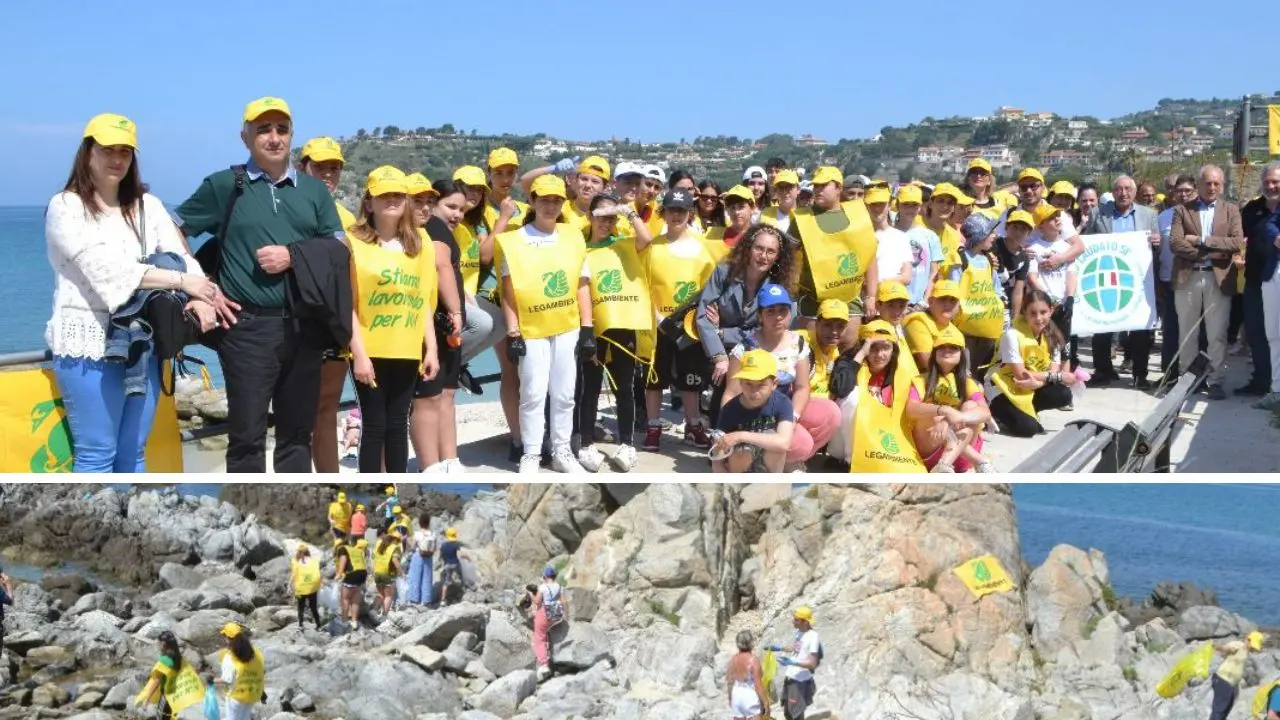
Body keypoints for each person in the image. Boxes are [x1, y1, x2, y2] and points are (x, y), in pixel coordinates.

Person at [176, 97, 346, 473]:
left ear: (291, 136)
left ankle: (294, 509)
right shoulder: (224, 185)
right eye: (263, 129)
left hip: (305, 327)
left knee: (296, 436)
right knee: (248, 438)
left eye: (281, 129)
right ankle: (246, 512)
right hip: (246, 328)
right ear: (245, 136)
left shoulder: (314, 192)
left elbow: (338, 248)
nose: (273, 138)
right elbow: (172, 231)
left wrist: (293, 255)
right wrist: (199, 286)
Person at [45, 113, 213, 473]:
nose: (117, 159)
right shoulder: (66, 207)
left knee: (134, 454)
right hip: (87, 344)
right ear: (87, 151)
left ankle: (129, 528)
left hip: (142, 342)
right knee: (96, 453)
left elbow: (182, 256)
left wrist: (201, 293)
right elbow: (106, 272)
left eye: (125, 151)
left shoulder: (147, 206)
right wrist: (183, 283)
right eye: (107, 149)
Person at [497, 174, 593, 474]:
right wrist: (512, 331)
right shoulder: (513, 240)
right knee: (533, 393)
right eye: (544, 199)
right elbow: (508, 292)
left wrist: (588, 327)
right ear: (533, 201)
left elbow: (582, 284)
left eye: (556, 200)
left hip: (566, 325)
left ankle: (562, 450)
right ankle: (531, 453)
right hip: (531, 328)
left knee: (564, 393)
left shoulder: (573, 236)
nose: (550, 206)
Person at [347, 167, 439, 474]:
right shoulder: (352, 243)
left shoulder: (420, 243)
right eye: (384, 194)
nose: (392, 200)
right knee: (374, 426)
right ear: (369, 202)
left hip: (407, 348)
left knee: (398, 425)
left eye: (398, 194)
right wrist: (358, 354)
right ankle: (370, 489)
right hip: (369, 349)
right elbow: (349, 304)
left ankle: (397, 488)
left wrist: (432, 349)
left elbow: (423, 299)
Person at [722, 284, 840, 469]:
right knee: (802, 443)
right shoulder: (743, 348)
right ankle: (758, 460)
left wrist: (792, 417)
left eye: (782, 311)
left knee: (831, 413)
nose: (778, 317)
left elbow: (802, 388)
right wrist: (725, 431)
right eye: (770, 311)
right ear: (760, 315)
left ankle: (786, 461)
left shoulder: (798, 344)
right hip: (755, 411)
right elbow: (731, 392)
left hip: (784, 404)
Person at [577, 192, 653, 473]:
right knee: (590, 388)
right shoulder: (579, 247)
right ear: (589, 217)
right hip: (593, 326)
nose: (606, 223)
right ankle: (585, 443)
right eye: (600, 217)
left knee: (625, 387)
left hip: (622, 323)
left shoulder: (623, 244)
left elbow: (646, 239)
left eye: (611, 218)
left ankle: (627, 443)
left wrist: (628, 212)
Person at [697, 223, 796, 427]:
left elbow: (771, 327)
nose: (763, 256)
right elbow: (703, 315)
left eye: (771, 251)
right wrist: (719, 356)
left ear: (778, 256)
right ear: (748, 248)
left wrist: (723, 331)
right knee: (722, 375)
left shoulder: (778, 286)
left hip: (756, 347)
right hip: (718, 347)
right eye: (759, 248)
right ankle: (718, 432)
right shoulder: (724, 272)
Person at [641, 192, 718, 452]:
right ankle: (653, 426)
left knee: (691, 380)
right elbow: (644, 285)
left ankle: (693, 425)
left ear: (690, 213)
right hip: (658, 323)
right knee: (654, 378)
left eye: (682, 210)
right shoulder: (653, 247)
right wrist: (657, 316)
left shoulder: (702, 249)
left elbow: (708, 291)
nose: (676, 215)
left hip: (689, 326)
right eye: (671, 209)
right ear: (664, 212)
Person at [300, 137, 358, 474]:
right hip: (297, 323)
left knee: (327, 411)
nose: (328, 173)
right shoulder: (289, 206)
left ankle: (328, 480)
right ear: (304, 166)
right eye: (320, 166)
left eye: (334, 167)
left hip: (333, 324)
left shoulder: (347, 217)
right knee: (300, 414)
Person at [412, 180, 472, 474]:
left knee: (447, 392)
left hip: (446, 323)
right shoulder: (434, 228)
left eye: (462, 209)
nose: (457, 214)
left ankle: (449, 458)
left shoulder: (447, 231)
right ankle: (432, 463)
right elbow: (442, 267)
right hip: (438, 320)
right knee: (430, 396)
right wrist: (456, 310)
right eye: (450, 206)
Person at [1170, 165, 1245, 400]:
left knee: (1217, 334)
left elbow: (1235, 243)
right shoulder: (1182, 210)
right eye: (1207, 183)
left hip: (1218, 279)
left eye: (1216, 183)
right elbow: (1176, 243)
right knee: (1187, 332)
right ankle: (1187, 379)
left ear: (1222, 185)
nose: (1212, 187)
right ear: (1199, 185)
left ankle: (1215, 380)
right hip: (1189, 276)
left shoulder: (1231, 210)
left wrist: (1202, 240)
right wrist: (1210, 252)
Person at [1081, 176, 1161, 389]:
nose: (1123, 193)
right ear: (1113, 192)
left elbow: (1158, 247)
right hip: (1107, 276)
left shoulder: (1149, 215)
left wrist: (1156, 242)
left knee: (1140, 330)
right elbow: (1087, 243)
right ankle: (1103, 371)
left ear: (1134, 192)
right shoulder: (1098, 214)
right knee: (1102, 327)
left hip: (1139, 279)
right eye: (1118, 189)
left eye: (1127, 189)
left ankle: (1140, 375)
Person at [790, 166, 880, 345]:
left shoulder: (858, 215)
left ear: (839, 188)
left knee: (848, 355)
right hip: (812, 303)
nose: (818, 190)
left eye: (824, 185)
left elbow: (869, 258)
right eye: (816, 186)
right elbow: (790, 260)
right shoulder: (801, 219)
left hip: (850, 299)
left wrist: (870, 295)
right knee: (813, 356)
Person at [827, 320, 924, 472]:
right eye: (873, 348)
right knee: (853, 397)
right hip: (845, 442)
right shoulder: (848, 361)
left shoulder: (900, 373)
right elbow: (840, 390)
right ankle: (850, 460)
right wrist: (860, 356)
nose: (880, 355)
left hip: (880, 439)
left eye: (886, 348)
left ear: (893, 350)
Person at [986, 289, 1077, 437]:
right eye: (1033, 313)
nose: (1039, 318)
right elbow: (1021, 375)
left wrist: (1039, 384)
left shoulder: (1052, 335)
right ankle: (996, 410)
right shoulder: (1012, 335)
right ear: (1024, 312)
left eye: (1043, 312)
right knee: (1028, 429)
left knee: (1063, 394)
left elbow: (1052, 371)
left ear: (1051, 311)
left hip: (1031, 384)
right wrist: (1059, 377)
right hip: (1002, 386)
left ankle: (1028, 411)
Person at [905, 324, 995, 473]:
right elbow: (911, 409)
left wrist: (954, 417)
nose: (947, 350)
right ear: (934, 353)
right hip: (930, 448)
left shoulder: (967, 383)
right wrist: (943, 411)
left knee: (971, 406)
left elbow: (985, 413)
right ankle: (980, 461)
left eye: (953, 347)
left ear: (961, 354)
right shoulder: (921, 380)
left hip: (960, 452)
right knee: (930, 414)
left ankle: (944, 464)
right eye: (942, 347)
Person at [711, 350, 795, 473]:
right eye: (748, 384)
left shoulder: (782, 403)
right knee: (741, 451)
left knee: (776, 449)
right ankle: (737, 487)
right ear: (740, 382)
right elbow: (718, 446)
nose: (754, 392)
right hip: (741, 459)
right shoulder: (730, 409)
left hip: (769, 457)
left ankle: (773, 486)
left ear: (774, 384)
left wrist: (741, 435)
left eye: (761, 385)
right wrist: (717, 467)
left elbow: (784, 443)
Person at [1241, 164, 1280, 405]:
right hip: (1256, 280)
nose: (1271, 186)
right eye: (1267, 182)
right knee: (1258, 332)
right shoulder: (1252, 209)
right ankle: (1262, 382)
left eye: (1275, 181)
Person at [1026, 205, 1079, 375]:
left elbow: (1071, 274)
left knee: (1065, 345)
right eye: (1051, 217)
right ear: (1040, 225)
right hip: (1044, 306)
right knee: (1046, 343)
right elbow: (1032, 277)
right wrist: (1049, 299)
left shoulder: (1066, 248)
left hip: (1063, 305)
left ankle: (1065, 381)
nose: (1057, 219)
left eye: (1058, 215)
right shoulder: (1034, 248)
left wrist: (1069, 298)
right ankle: (1047, 379)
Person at [953, 214, 1007, 380]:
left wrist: (1001, 303)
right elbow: (954, 288)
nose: (994, 236)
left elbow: (996, 288)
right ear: (980, 235)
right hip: (965, 326)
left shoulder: (988, 260)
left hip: (987, 325)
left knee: (984, 366)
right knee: (966, 368)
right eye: (990, 232)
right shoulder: (961, 259)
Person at [1157, 175, 1196, 376]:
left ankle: (1195, 375)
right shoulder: (1163, 217)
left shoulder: (1202, 214)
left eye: (1188, 190)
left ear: (1195, 191)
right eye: (1179, 190)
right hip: (1169, 280)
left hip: (1195, 278)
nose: (1183, 194)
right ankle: (1169, 374)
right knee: (1171, 330)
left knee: (1197, 331)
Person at [896, 184, 944, 308]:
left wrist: (924, 301)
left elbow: (934, 272)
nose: (910, 209)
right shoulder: (888, 234)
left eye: (914, 205)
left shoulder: (930, 236)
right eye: (906, 204)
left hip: (920, 304)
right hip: (894, 302)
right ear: (897, 205)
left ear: (920, 207)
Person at [133, 630, 198, 720]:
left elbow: (157, 681)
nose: (158, 645)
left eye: (159, 643)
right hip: (175, 695)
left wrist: (147, 699)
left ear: (164, 645)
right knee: (169, 716)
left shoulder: (165, 660)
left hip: (166, 695)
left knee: (161, 717)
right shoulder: (179, 658)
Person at [904, 280, 962, 371]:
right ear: (930, 301)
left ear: (959, 305)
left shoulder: (957, 332)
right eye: (943, 299)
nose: (947, 304)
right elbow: (928, 363)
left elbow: (964, 367)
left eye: (953, 300)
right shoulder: (918, 321)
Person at [774, 606, 821, 720]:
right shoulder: (799, 633)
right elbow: (796, 649)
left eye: (796, 619)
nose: (793, 621)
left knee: (796, 714)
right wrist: (780, 648)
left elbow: (812, 664)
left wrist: (792, 663)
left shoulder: (813, 637)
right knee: (788, 712)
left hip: (800, 682)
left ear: (805, 621)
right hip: (790, 677)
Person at [1207, 631, 1266, 720]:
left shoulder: (1246, 651)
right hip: (1223, 680)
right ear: (1248, 640)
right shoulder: (1238, 645)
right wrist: (1216, 646)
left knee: (1226, 709)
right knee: (1219, 710)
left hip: (1231, 684)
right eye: (1253, 646)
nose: (1253, 649)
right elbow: (1226, 648)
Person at [216, 623, 266, 720]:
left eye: (224, 636)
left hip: (236, 696)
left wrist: (210, 680)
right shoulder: (256, 653)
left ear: (227, 638)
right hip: (253, 694)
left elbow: (227, 679)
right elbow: (262, 671)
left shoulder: (230, 657)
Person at [867, 186, 912, 287]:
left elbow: (907, 277)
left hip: (894, 297)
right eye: (873, 204)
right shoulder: (860, 236)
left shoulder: (901, 237)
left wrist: (878, 284)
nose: (877, 208)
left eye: (881, 204)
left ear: (889, 206)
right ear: (866, 206)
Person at [993, 210, 1033, 321]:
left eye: (1023, 229)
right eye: (1015, 227)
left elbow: (1018, 291)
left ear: (1029, 233)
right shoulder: (993, 245)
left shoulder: (1024, 258)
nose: (1018, 232)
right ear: (1006, 227)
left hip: (1003, 300)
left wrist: (1014, 319)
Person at [531, 566, 569, 682]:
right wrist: (566, 616)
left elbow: (537, 602)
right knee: (545, 633)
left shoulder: (543, 587)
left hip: (544, 614)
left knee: (539, 638)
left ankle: (544, 665)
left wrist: (531, 594)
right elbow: (564, 602)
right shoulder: (559, 587)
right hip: (555, 615)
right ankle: (549, 655)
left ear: (545, 576)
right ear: (554, 576)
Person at [703, 184, 756, 264]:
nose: (736, 212)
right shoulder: (712, 236)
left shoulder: (760, 237)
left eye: (741, 207)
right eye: (732, 208)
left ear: (752, 209)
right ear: (727, 210)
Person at [726, 630, 767, 720]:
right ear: (751, 643)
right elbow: (758, 685)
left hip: (736, 695)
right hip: (749, 696)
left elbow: (729, 682)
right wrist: (765, 703)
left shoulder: (733, 659)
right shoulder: (753, 660)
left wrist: (730, 698)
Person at [333, 537, 368, 627]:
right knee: (355, 599)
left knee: (345, 598)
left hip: (353, 574)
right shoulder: (354, 550)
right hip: (363, 574)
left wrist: (339, 574)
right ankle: (354, 622)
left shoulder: (342, 549)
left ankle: (344, 621)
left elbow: (343, 560)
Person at [290, 545, 323, 630]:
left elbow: (294, 574)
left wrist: (289, 585)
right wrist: (321, 583)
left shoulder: (296, 561)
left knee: (300, 607)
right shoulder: (313, 561)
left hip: (301, 588)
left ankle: (300, 624)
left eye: (298, 552)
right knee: (313, 608)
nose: (297, 553)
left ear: (300, 552)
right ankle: (318, 625)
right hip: (312, 587)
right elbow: (318, 573)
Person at [372, 528, 403, 617]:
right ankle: (384, 615)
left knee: (380, 594)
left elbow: (374, 558)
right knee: (388, 596)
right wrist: (401, 573)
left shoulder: (381, 546)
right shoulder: (394, 548)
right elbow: (395, 561)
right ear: (395, 539)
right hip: (387, 574)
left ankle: (374, 611)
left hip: (377, 573)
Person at [407, 514, 436, 606]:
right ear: (428, 523)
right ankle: (426, 600)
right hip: (428, 557)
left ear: (420, 523)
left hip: (418, 556)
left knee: (415, 577)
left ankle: (415, 599)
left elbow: (413, 547)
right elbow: (435, 547)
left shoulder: (417, 534)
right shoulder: (433, 534)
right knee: (427, 578)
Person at [760, 170, 800, 234]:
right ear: (776, 191)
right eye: (781, 187)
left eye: (789, 186)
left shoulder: (806, 215)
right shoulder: (764, 214)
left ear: (798, 189)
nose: (784, 191)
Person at [438, 527, 468, 606]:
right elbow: (461, 554)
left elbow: (440, 556)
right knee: (461, 578)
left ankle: (443, 600)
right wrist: (468, 558)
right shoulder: (455, 544)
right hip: (455, 564)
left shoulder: (443, 545)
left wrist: (440, 561)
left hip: (447, 565)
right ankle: (463, 593)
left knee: (446, 582)